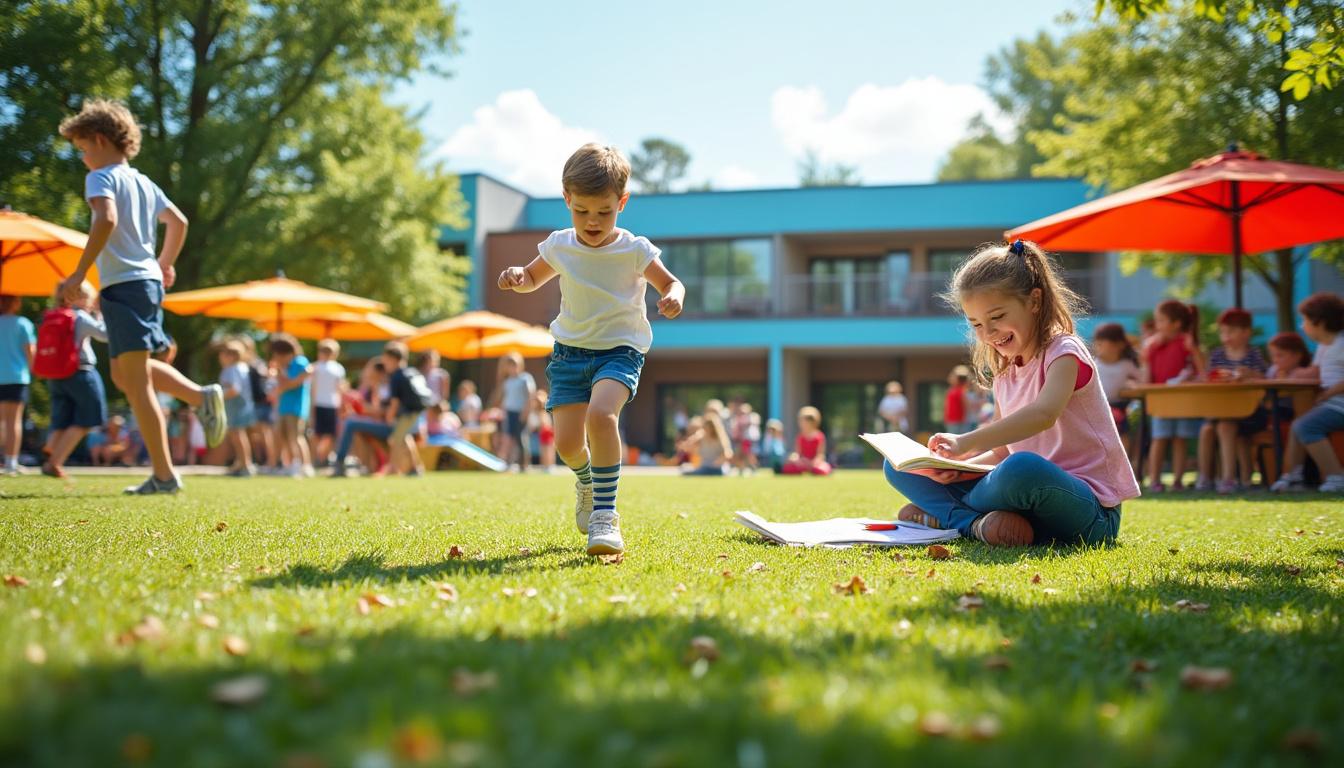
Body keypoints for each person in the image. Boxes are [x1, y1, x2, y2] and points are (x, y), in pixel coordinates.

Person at [884, 239, 1139, 546]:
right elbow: (1004, 451)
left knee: (1022, 468)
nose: (987, 333)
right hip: (1024, 504)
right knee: (900, 467)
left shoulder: (1064, 352)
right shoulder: (1005, 373)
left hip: (1092, 513)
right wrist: (956, 466)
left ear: (1034, 301)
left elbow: (1043, 415)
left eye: (997, 317)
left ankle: (946, 516)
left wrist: (965, 442)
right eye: (976, 323)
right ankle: (975, 524)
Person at [497, 143, 685, 555]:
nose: (593, 221)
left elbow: (671, 282)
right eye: (582, 211)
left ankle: (605, 516)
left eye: (604, 211)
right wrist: (517, 277)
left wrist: (674, 296)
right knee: (566, 444)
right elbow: (532, 277)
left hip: (620, 350)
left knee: (602, 416)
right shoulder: (561, 245)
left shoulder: (634, 249)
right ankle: (586, 479)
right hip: (569, 354)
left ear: (622, 202)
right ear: (567, 199)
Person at [56, 99, 226, 494]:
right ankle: (200, 396)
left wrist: (80, 274)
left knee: (135, 382)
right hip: (139, 284)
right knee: (123, 375)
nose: (83, 158)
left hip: (128, 285)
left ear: (99, 140)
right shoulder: (145, 182)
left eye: (83, 148)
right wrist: (164, 264)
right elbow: (177, 222)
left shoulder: (101, 178)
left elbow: (106, 220)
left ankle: (165, 476)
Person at [1271, 293, 1344, 493]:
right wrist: (1289, 374)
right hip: (1330, 404)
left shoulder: (1341, 344)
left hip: (1339, 404)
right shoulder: (1324, 346)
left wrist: (1330, 393)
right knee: (1298, 425)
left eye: (1305, 320)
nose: (1302, 325)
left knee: (1307, 425)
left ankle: (1336, 476)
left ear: (1319, 322)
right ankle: (1292, 477)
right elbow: (1314, 372)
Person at [39, 281, 109, 479]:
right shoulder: (80, 316)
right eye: (87, 298)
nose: (89, 303)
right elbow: (104, 335)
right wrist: (100, 314)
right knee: (87, 420)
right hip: (81, 372)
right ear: (76, 297)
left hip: (56, 377)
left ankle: (51, 446)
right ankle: (54, 462)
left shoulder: (52, 316)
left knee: (62, 420)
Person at [1196, 308, 1269, 493]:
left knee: (1225, 426)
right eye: (1223, 332)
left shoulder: (1254, 355)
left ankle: (1228, 479)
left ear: (1246, 332)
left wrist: (1250, 374)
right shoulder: (1217, 355)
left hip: (1250, 411)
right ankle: (1205, 478)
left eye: (1231, 331)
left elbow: (1266, 379)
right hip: (1222, 409)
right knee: (1207, 429)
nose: (1226, 336)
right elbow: (1209, 379)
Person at [1142, 299, 1205, 492]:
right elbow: (1146, 371)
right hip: (1161, 399)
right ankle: (1155, 480)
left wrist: (1193, 349)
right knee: (1160, 438)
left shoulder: (1186, 342)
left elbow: (1202, 372)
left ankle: (1177, 480)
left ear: (1176, 323)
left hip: (1183, 399)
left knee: (1180, 439)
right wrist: (1149, 347)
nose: (1157, 326)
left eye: (1161, 321)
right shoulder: (1154, 345)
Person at [1092, 322, 1142, 471]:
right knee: (1099, 440)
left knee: (1123, 436)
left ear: (1118, 345)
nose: (1098, 346)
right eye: (1098, 343)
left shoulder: (1126, 365)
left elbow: (1142, 379)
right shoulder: (1095, 363)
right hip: (1098, 407)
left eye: (1103, 343)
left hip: (1119, 406)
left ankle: (1123, 466)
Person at [1, 294, 36, 475]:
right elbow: (30, 352)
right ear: (15, 303)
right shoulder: (23, 323)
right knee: (13, 422)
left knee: (1, 423)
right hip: (16, 377)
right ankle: (10, 462)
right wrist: (34, 370)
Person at [269, 333, 313, 477]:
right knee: (284, 436)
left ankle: (305, 465)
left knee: (296, 437)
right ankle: (291, 464)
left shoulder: (300, 362)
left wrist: (281, 375)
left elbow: (292, 383)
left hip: (296, 406)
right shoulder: (284, 366)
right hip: (284, 406)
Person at [383, 340, 429, 476]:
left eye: (386, 361)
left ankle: (393, 469)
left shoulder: (396, 376)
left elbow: (395, 401)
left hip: (408, 412)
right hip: (417, 410)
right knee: (404, 437)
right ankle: (415, 468)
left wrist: (389, 416)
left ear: (393, 359)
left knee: (394, 440)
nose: (385, 364)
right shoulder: (412, 372)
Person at [217, 340, 256, 477]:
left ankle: (245, 464)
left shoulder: (231, 369)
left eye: (223, 354)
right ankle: (241, 463)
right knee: (239, 435)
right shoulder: (242, 367)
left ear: (231, 356)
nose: (220, 357)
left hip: (236, 406)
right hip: (244, 406)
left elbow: (234, 389)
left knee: (237, 435)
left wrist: (217, 397)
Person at [494, 351, 536, 472]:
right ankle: (508, 462)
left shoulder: (525, 378)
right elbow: (504, 398)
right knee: (507, 438)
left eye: (515, 365)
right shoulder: (507, 381)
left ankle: (524, 465)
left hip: (521, 413)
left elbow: (530, 396)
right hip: (509, 413)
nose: (512, 368)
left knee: (521, 438)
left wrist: (525, 412)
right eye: (510, 365)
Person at [310, 339, 346, 467]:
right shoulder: (336, 368)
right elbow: (341, 389)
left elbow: (312, 389)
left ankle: (319, 457)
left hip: (325, 404)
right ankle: (322, 457)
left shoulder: (315, 367)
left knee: (320, 434)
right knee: (327, 434)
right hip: (330, 404)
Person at [781, 406, 832, 476]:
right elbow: (797, 453)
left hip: (815, 464)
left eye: (804, 421)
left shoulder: (819, 436)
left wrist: (815, 462)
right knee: (787, 468)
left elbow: (820, 455)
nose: (801, 424)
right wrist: (794, 458)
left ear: (813, 422)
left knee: (820, 469)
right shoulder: (800, 437)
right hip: (803, 463)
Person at [680, 409, 734, 476]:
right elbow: (687, 446)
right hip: (705, 467)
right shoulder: (701, 437)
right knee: (685, 469)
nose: (706, 430)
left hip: (718, 468)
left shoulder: (721, 439)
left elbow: (728, 453)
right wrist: (693, 439)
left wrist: (719, 461)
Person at [944, 366, 973, 433]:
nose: (950, 377)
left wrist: (964, 420)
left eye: (953, 375)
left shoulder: (961, 391)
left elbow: (966, 406)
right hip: (951, 420)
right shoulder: (952, 390)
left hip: (959, 422)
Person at [533, 389, 556, 470]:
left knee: (547, 449)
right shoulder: (543, 410)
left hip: (545, 431)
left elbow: (543, 423)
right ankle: (547, 465)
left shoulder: (542, 411)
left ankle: (548, 465)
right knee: (546, 449)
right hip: (545, 431)